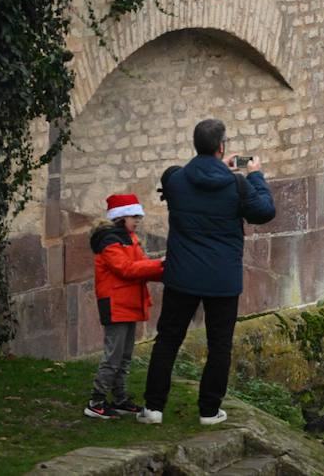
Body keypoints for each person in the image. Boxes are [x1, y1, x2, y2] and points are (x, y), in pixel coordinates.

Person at [141, 120, 275, 426]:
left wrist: (218, 167)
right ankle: (209, 410)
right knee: (219, 345)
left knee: (168, 339)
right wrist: (255, 175)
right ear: (221, 147)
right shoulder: (237, 185)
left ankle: (153, 408)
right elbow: (265, 211)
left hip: (182, 275)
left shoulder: (175, 180)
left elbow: (183, 179)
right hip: (221, 279)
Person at [85, 193, 164, 420]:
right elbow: (126, 269)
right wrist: (160, 264)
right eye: (133, 216)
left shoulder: (129, 238)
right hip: (116, 304)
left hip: (128, 302)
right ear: (120, 217)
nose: (137, 221)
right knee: (113, 356)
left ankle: (119, 399)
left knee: (125, 356)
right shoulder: (109, 241)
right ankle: (96, 401)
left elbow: (141, 266)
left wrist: (163, 269)